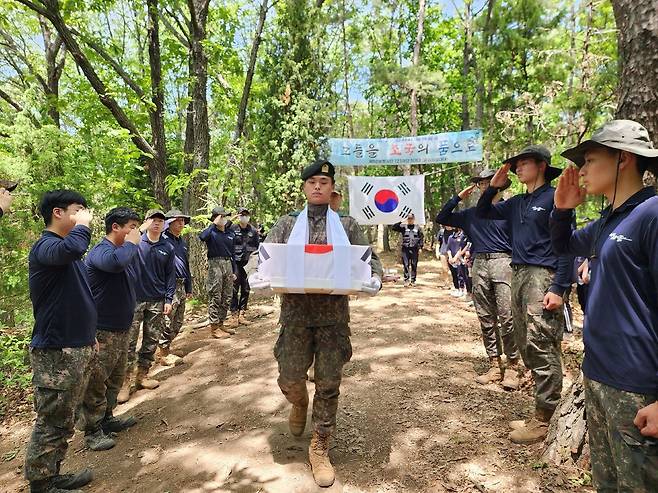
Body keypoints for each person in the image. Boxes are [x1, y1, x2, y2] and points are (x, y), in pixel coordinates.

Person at [249, 159, 383, 487]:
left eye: (324, 181)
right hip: (295, 317)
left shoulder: (348, 225)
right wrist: (254, 274)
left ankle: (320, 445)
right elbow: (261, 254)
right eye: (312, 182)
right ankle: (298, 402)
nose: (318, 186)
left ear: (332, 187)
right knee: (290, 376)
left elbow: (370, 260)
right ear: (304, 188)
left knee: (328, 382)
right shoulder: (287, 224)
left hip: (333, 319)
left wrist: (375, 278)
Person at [550, 120, 658, 491]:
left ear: (623, 159)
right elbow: (564, 247)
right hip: (599, 376)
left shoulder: (653, 214)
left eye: (590, 159)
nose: (581, 171)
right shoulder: (607, 221)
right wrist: (562, 210)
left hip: (639, 388)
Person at [477, 145, 572, 444]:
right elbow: (483, 213)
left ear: (542, 165)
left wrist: (560, 287)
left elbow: (568, 244)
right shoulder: (518, 201)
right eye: (515, 164)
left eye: (524, 163)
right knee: (524, 341)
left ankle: (545, 418)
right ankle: (541, 410)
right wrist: (492, 188)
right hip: (517, 272)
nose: (517, 168)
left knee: (541, 342)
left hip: (543, 275)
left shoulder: (555, 196)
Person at [24, 190, 96, 493]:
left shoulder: (67, 252)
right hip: (56, 351)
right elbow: (71, 249)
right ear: (58, 213)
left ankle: (51, 475)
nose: (82, 214)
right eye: (77, 210)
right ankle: (41, 484)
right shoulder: (47, 247)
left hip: (75, 347)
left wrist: (90, 337)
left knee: (64, 418)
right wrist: (83, 226)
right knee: (53, 420)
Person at [437, 169, 518, 387]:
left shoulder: (509, 209)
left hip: (504, 262)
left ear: (500, 185)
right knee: (485, 315)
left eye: (488, 182)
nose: (484, 186)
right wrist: (458, 197)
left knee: (507, 315)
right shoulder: (471, 214)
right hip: (480, 262)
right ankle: (494, 364)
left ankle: (512, 366)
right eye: (481, 183)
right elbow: (442, 218)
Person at [79, 207, 141, 451]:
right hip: (102, 330)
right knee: (96, 381)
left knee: (115, 378)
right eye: (131, 227)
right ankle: (92, 431)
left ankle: (107, 418)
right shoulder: (100, 251)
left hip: (121, 328)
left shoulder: (119, 250)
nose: (135, 233)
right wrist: (133, 244)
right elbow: (115, 264)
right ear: (115, 227)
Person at [118, 209, 175, 403]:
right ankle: (125, 382)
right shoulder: (135, 243)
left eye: (161, 220)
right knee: (130, 341)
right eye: (153, 220)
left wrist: (168, 299)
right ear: (146, 222)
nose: (157, 223)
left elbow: (170, 275)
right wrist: (138, 231)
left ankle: (142, 375)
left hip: (157, 299)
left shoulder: (167, 246)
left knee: (151, 339)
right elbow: (120, 257)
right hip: (134, 299)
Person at [157, 209, 192, 366]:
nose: (181, 223)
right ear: (169, 223)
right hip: (168, 285)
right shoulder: (162, 240)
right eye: (178, 220)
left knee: (178, 320)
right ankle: (163, 353)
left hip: (182, 284)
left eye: (183, 221)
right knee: (167, 319)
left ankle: (167, 348)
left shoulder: (181, 242)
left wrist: (189, 286)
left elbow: (186, 264)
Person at [199, 206, 237, 338]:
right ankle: (214, 327)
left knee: (227, 296)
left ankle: (221, 323)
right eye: (221, 216)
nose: (224, 219)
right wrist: (213, 224)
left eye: (225, 216)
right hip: (215, 263)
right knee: (215, 295)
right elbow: (202, 237)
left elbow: (232, 253)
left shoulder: (230, 233)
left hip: (228, 263)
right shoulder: (211, 232)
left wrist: (234, 270)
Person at [228, 208, 259, 327]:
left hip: (249, 262)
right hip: (236, 262)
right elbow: (224, 228)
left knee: (246, 288)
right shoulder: (232, 229)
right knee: (234, 288)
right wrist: (233, 218)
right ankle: (234, 315)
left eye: (246, 215)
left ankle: (242, 314)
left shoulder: (253, 231)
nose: (244, 217)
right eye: (242, 215)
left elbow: (257, 247)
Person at [391, 213, 424, 286]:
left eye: (411, 218)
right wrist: (402, 221)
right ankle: (406, 280)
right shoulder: (404, 227)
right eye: (409, 218)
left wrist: (420, 247)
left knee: (414, 265)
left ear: (414, 219)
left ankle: (413, 280)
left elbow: (421, 238)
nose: (410, 220)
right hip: (405, 249)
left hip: (415, 249)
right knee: (406, 265)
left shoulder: (417, 228)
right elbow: (394, 227)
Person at [446, 228, 467, 297]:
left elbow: (461, 248)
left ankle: (462, 289)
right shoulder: (451, 237)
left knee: (460, 274)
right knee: (454, 274)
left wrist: (456, 257)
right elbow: (448, 248)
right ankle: (456, 289)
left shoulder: (463, 236)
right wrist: (450, 257)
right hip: (451, 259)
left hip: (459, 259)